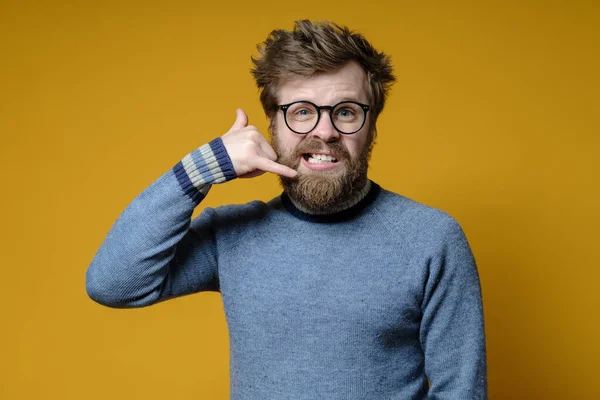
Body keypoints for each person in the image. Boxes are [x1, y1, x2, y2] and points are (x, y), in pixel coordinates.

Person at [86, 19, 487, 399]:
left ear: (373, 127)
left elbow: (461, 390)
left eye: (346, 111)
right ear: (272, 126)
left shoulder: (432, 239)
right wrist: (202, 169)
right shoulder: (233, 234)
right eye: (301, 112)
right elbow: (113, 283)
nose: (324, 131)